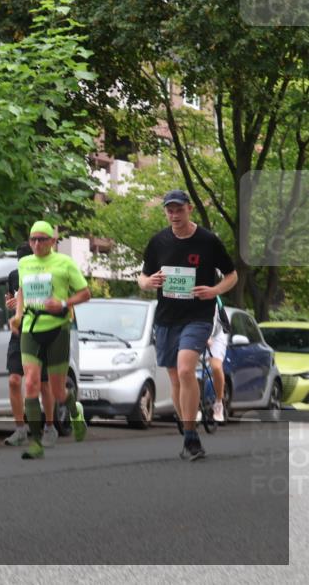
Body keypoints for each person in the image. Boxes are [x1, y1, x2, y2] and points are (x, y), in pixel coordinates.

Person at [138, 190, 237, 461]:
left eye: (178, 209)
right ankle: (187, 428)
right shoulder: (158, 242)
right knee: (174, 377)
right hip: (167, 318)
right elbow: (143, 277)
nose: (174, 214)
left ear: (189, 209)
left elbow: (232, 275)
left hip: (198, 316)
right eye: (169, 210)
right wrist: (148, 283)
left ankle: (191, 437)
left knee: (185, 369)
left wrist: (214, 290)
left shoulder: (208, 241)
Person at [11, 221, 91, 460]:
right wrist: (17, 316)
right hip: (30, 327)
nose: (36, 244)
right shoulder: (24, 263)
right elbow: (22, 291)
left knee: (57, 392)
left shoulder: (64, 263)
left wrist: (64, 303)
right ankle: (36, 442)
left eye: (41, 240)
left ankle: (74, 410)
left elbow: (86, 293)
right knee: (31, 383)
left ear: (52, 241)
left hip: (57, 328)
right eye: (32, 239)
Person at [3, 243, 56, 447]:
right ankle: (20, 429)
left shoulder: (48, 275)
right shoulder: (14, 276)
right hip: (19, 334)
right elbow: (11, 300)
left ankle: (49, 428)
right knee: (14, 381)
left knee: (43, 384)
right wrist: (10, 305)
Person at [207, 294, 231, 423]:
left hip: (215, 334)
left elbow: (214, 319)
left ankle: (218, 402)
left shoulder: (212, 296)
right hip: (196, 332)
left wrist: (208, 336)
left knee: (216, 366)